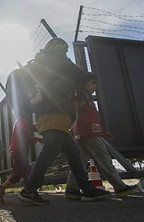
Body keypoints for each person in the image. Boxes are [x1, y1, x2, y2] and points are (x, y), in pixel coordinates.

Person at [17, 38, 110, 205]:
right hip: (55, 112)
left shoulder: (42, 65)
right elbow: (79, 75)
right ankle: (28, 190)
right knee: (51, 150)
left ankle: (87, 190)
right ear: (58, 51)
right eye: (64, 51)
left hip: (47, 114)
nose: (66, 54)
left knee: (73, 152)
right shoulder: (59, 63)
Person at [65, 73, 137, 200]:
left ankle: (72, 189)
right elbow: (81, 113)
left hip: (82, 133)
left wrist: (103, 131)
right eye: (93, 82)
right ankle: (120, 187)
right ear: (85, 83)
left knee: (80, 162)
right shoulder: (83, 96)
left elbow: (91, 116)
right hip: (89, 132)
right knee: (104, 159)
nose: (95, 86)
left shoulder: (85, 97)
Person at [0, 113, 43, 204]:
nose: (29, 114)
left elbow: (25, 137)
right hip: (18, 152)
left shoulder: (21, 122)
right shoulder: (21, 120)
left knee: (19, 173)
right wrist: (39, 127)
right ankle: (30, 193)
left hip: (18, 152)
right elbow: (28, 128)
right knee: (26, 172)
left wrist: (36, 139)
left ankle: (1, 188)